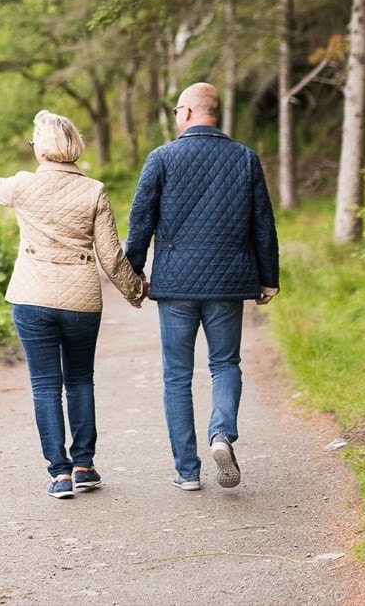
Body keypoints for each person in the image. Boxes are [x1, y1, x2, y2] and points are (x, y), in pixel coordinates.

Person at [0, 111, 146, 500]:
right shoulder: (94, 190)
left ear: (42, 148)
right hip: (81, 301)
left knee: (44, 387)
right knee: (80, 380)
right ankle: (84, 465)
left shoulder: (23, 186)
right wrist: (134, 290)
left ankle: (60, 475)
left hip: (31, 297)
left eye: (33, 141)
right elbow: (110, 255)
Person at [125, 82, 280, 491]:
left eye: (178, 110)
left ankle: (187, 473)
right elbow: (263, 223)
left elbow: (140, 220)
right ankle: (221, 434)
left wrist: (133, 275)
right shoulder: (245, 159)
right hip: (228, 283)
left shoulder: (161, 158)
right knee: (225, 364)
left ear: (187, 113)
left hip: (175, 284)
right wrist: (268, 277)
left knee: (177, 375)